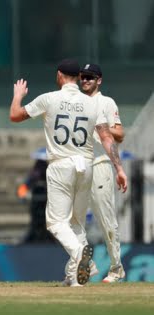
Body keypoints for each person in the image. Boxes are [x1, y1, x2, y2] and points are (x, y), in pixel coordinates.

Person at [9, 58, 128, 287]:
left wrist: (18, 95)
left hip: (61, 164)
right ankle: (75, 278)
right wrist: (120, 168)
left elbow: (15, 115)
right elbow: (106, 137)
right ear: (77, 78)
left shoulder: (50, 98)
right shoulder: (92, 104)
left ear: (60, 75)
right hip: (86, 164)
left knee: (55, 222)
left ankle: (85, 259)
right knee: (76, 223)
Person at [80, 63, 126, 283]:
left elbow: (120, 133)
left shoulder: (106, 102)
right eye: (83, 77)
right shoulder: (75, 102)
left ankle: (116, 267)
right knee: (69, 218)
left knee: (105, 219)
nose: (85, 80)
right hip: (77, 166)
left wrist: (103, 127)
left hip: (99, 164)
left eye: (90, 77)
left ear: (99, 80)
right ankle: (85, 264)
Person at [17, 149, 53, 243]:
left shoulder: (52, 173)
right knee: (36, 223)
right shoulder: (34, 174)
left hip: (47, 205)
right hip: (36, 205)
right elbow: (23, 188)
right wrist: (23, 195)